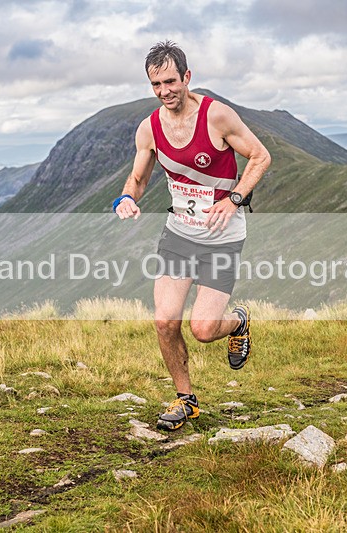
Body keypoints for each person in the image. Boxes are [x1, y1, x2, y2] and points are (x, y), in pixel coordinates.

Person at [113, 41, 271, 430]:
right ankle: (186, 400)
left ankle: (237, 322)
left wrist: (233, 199)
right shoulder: (149, 128)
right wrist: (126, 199)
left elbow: (261, 156)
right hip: (179, 232)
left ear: (187, 77)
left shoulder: (217, 116)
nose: (165, 91)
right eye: (155, 84)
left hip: (222, 234)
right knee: (166, 321)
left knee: (202, 329)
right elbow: (138, 177)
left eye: (170, 81)